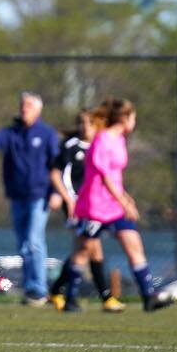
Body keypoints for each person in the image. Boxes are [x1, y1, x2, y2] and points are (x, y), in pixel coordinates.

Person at [59, 97, 172, 313]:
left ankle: (148, 296)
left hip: (114, 205)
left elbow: (115, 175)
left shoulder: (119, 140)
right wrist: (123, 202)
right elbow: (103, 177)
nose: (134, 122)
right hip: (95, 205)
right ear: (124, 118)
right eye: (133, 118)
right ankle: (70, 297)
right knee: (83, 250)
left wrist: (126, 198)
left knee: (134, 244)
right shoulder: (102, 140)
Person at [0, 92, 59, 306]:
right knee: (23, 245)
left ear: (38, 109)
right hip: (17, 196)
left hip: (39, 196)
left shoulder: (46, 134)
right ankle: (30, 288)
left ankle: (39, 289)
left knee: (34, 241)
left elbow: (56, 164)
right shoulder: (12, 132)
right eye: (22, 105)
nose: (23, 109)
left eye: (28, 105)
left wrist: (56, 192)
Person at [47, 111, 119, 312]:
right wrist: (69, 199)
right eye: (82, 123)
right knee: (88, 245)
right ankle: (97, 297)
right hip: (76, 205)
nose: (85, 126)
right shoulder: (71, 146)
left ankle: (58, 290)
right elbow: (58, 174)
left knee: (89, 248)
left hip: (93, 205)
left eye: (90, 123)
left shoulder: (100, 147)